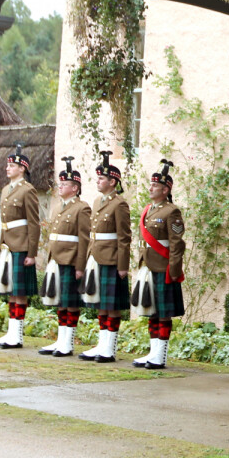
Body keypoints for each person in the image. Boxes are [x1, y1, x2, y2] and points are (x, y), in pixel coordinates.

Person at [133, 159, 185, 369]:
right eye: (151, 184)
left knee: (163, 313)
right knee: (152, 311)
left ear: (165, 190)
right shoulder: (148, 210)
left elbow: (177, 244)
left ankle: (160, 356)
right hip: (148, 266)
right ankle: (152, 352)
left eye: (155, 185)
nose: (150, 187)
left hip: (163, 267)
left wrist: (173, 269)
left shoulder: (171, 212)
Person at [81, 151, 132, 363]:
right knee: (101, 303)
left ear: (113, 181)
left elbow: (124, 236)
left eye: (101, 178)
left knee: (112, 305)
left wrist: (123, 265)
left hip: (111, 258)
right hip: (96, 255)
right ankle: (102, 345)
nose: (98, 181)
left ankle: (109, 349)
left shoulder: (119, 204)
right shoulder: (96, 201)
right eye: (98, 178)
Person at [39, 158, 91, 358]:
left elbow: (83, 239)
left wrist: (80, 266)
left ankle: (68, 343)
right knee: (60, 301)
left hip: (71, 260)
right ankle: (60, 340)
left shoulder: (82, 208)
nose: (60, 187)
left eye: (65, 184)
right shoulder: (58, 207)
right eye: (59, 183)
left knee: (70, 302)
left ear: (75, 188)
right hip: (57, 259)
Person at [0, 144, 40, 349]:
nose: (7, 168)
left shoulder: (27, 190)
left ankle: (17, 335)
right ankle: (11, 332)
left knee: (19, 292)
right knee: (11, 290)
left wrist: (32, 252)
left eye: (12, 165)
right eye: (8, 165)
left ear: (22, 169)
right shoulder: (5, 190)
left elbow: (34, 223)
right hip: (8, 245)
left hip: (21, 244)